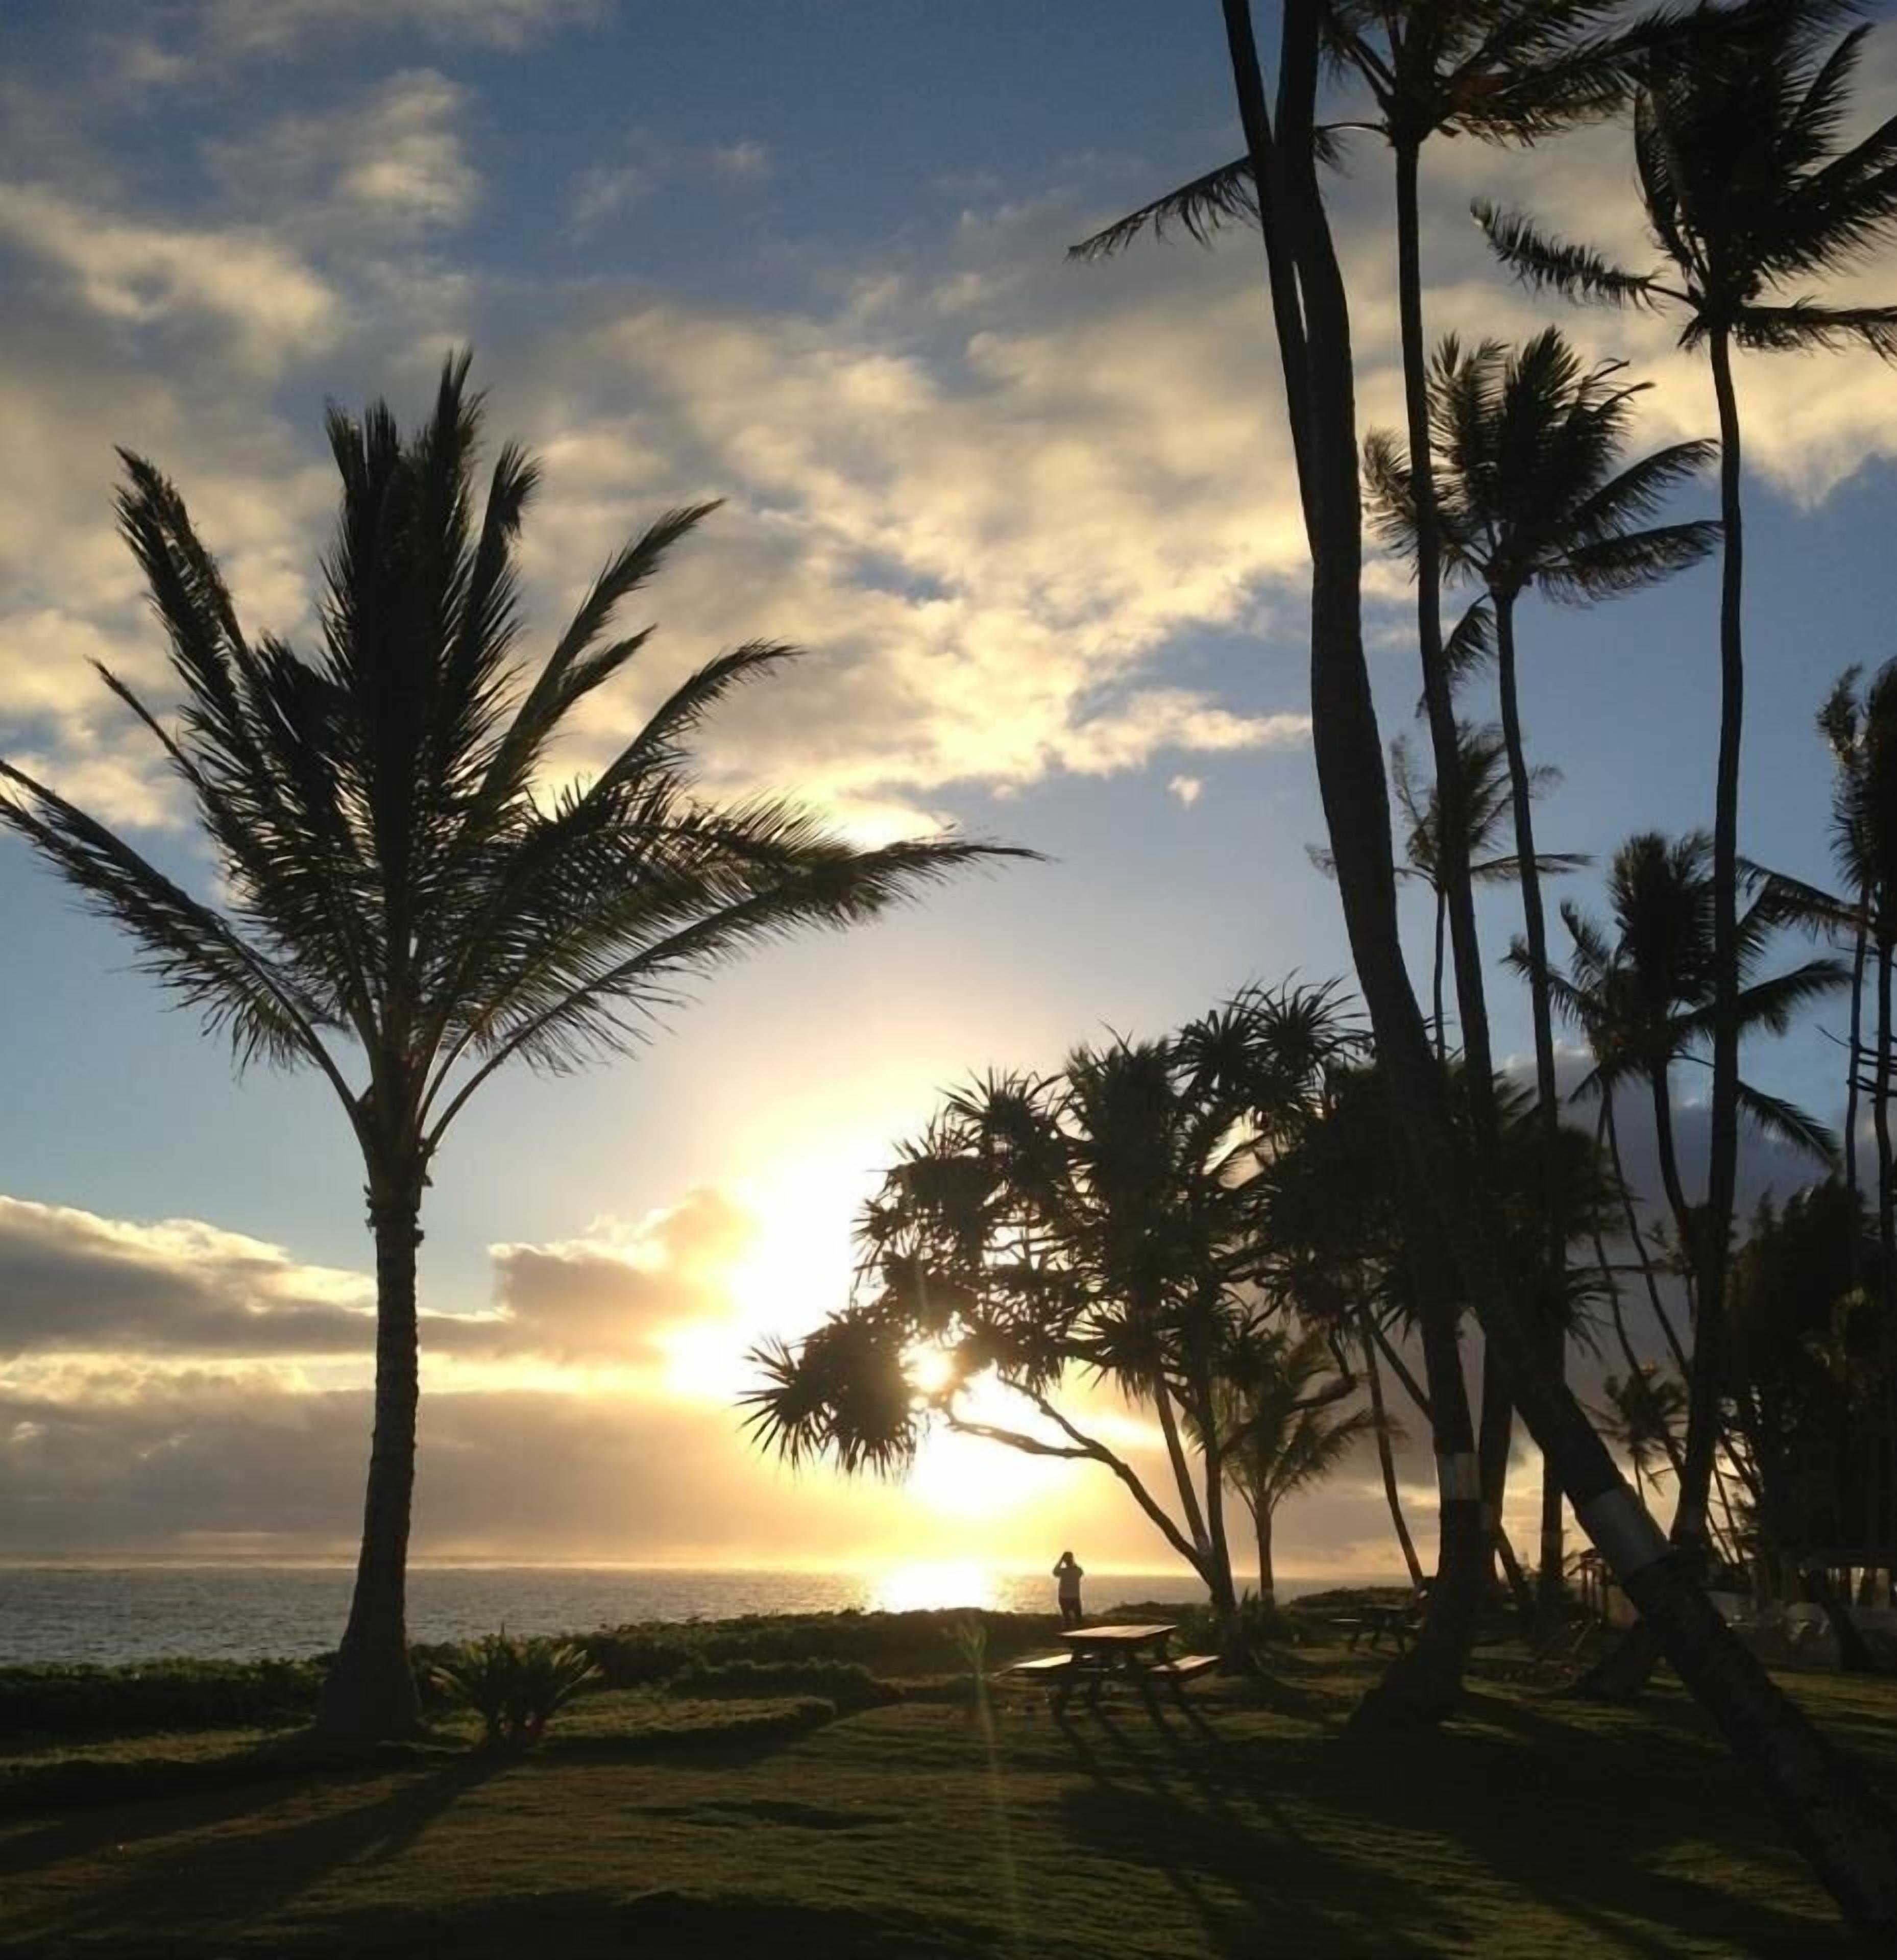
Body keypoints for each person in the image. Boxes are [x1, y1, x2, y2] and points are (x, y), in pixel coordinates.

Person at [1053, 1550, 1084, 1627]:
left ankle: (1068, 1632)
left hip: (1064, 1597)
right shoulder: (1077, 1571)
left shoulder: (1063, 1572)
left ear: (1065, 1561)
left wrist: (1061, 1560)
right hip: (1075, 1597)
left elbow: (1055, 1572)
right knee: (1078, 1618)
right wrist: (1073, 1562)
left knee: (1067, 1619)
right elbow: (1081, 1572)